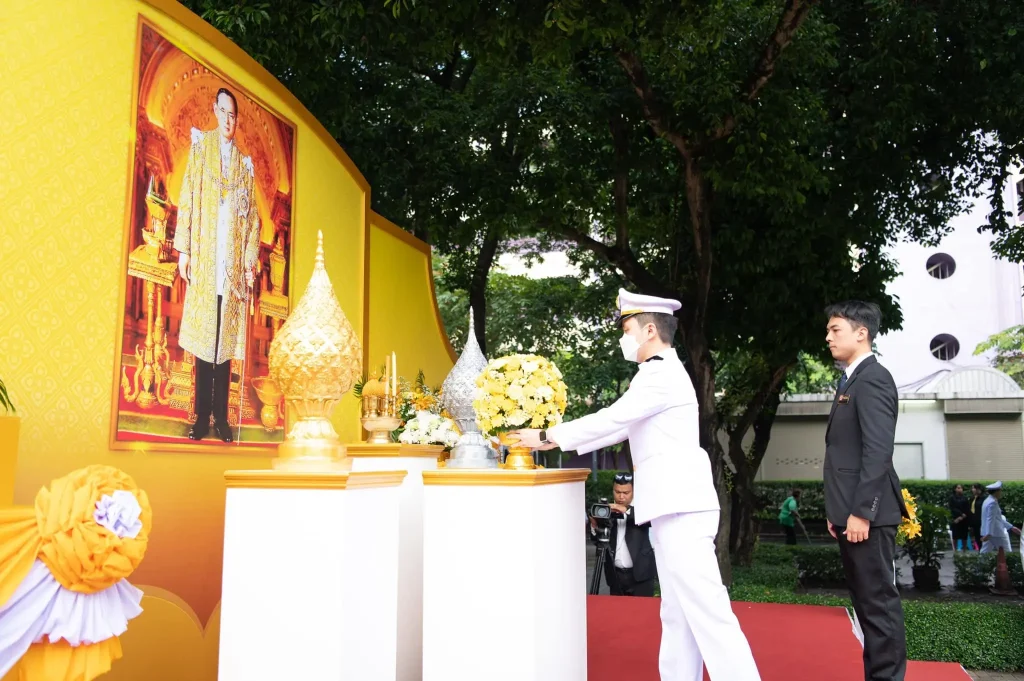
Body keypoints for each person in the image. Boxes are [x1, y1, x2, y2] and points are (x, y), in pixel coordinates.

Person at [513, 289, 761, 681]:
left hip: (680, 506)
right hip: (671, 506)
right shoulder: (656, 375)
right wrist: (551, 440)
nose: (622, 338)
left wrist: (547, 434)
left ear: (649, 330)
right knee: (677, 614)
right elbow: (620, 427)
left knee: (707, 610)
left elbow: (613, 418)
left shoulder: (661, 374)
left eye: (627, 329)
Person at [822, 301, 909, 681]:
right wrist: (838, 512)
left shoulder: (873, 378)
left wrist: (861, 512)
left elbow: (878, 451)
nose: (828, 337)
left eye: (835, 329)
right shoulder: (851, 379)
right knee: (867, 606)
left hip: (867, 517)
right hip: (851, 514)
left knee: (878, 607)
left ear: (862, 333)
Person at [172, 87, 261, 442]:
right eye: (224, 112)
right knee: (204, 346)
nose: (228, 120)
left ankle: (221, 419)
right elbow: (187, 197)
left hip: (231, 271)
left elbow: (253, 221)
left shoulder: (244, 166)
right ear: (214, 111)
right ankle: (200, 418)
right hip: (206, 262)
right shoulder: (200, 149)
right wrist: (184, 250)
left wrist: (249, 262)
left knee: (223, 348)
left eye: (233, 115)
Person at [589, 472, 657, 596]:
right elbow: (597, 541)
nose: (621, 497)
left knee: (642, 608)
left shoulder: (643, 508)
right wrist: (594, 526)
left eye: (626, 493)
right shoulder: (607, 510)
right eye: (617, 492)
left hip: (641, 577)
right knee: (617, 609)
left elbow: (651, 521)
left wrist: (626, 510)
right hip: (615, 576)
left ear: (634, 491)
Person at [980, 481, 1021, 553]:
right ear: (996, 492)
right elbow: (990, 519)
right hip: (996, 533)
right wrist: (989, 533)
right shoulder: (993, 502)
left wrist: (1010, 527)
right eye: (1000, 491)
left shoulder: (987, 501)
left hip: (988, 532)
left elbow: (997, 518)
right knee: (1006, 553)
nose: (1001, 493)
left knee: (984, 553)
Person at [948, 484, 972, 551]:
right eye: (958, 488)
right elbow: (952, 508)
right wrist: (960, 514)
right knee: (955, 535)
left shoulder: (965, 498)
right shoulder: (952, 498)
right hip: (955, 518)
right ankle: (955, 550)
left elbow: (967, 508)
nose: (960, 489)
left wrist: (963, 516)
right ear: (955, 489)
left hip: (964, 519)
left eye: (961, 488)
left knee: (964, 536)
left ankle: (964, 550)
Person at [969, 483, 985, 551]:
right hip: (974, 521)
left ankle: (984, 551)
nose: (973, 490)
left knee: (982, 537)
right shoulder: (972, 498)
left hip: (981, 521)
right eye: (972, 488)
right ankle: (980, 550)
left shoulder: (983, 498)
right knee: (977, 537)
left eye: (974, 488)